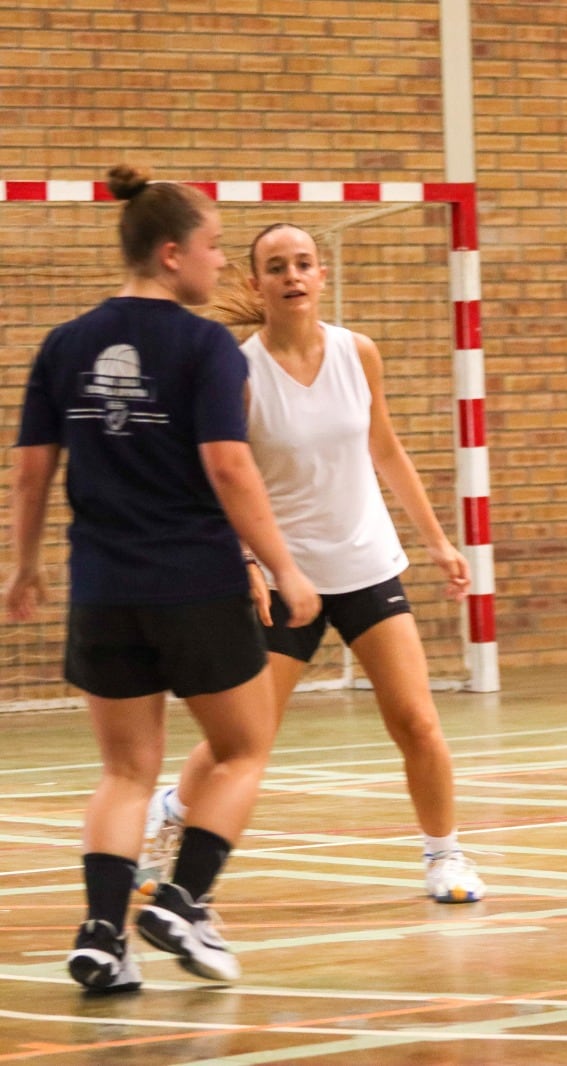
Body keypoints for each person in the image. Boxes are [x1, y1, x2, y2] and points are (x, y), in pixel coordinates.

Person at [5, 165, 322, 991]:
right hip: (195, 584)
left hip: (102, 589)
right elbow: (229, 466)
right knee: (244, 746)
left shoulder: (65, 344)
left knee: (125, 772)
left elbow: (31, 472)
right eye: (217, 250)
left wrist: (23, 567)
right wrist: (285, 566)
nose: (224, 267)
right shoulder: (205, 344)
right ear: (173, 253)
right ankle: (183, 898)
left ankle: (103, 937)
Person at [136, 222, 486, 904]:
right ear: (254, 283)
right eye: (276, 266)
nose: (292, 275)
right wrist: (245, 560)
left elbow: (386, 449)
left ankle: (445, 855)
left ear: (322, 275)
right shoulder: (237, 370)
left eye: (303, 263)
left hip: (366, 564)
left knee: (416, 721)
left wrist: (439, 540)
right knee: (245, 736)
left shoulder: (359, 353)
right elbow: (221, 476)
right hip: (285, 577)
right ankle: (172, 812)